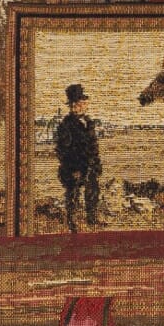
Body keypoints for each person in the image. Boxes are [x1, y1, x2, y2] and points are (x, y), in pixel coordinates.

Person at [55, 83, 101, 232]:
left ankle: (92, 218)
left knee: (93, 191)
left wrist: (96, 164)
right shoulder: (66, 125)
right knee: (73, 194)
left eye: (83, 103)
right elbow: (63, 151)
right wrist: (73, 169)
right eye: (78, 104)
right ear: (72, 106)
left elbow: (93, 146)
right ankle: (72, 220)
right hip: (73, 167)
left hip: (90, 166)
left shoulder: (89, 122)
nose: (82, 106)